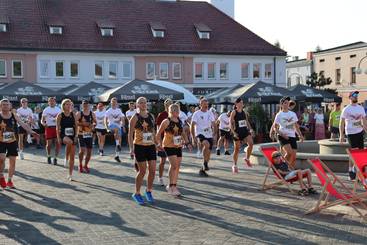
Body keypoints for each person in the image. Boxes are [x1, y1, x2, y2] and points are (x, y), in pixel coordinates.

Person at [0, 99, 38, 189]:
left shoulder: (14, 115)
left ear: (10, 106)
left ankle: (9, 180)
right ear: (0, 106)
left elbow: (23, 124)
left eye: (7, 104)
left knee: (12, 161)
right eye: (3, 104)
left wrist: (31, 131)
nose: (5, 106)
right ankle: (1, 176)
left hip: (12, 141)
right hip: (1, 141)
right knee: (1, 158)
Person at [156, 104, 192, 196]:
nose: (176, 111)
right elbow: (158, 133)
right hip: (168, 146)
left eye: (177, 109)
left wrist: (188, 143)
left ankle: (174, 185)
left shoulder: (179, 120)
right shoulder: (166, 121)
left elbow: (183, 132)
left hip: (178, 145)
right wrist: (159, 144)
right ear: (170, 111)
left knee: (177, 167)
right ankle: (171, 186)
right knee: (174, 165)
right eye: (174, 109)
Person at [129, 97, 157, 205]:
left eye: (145, 102)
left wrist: (157, 143)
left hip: (150, 146)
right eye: (141, 103)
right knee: (142, 171)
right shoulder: (135, 118)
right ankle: (136, 193)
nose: (143, 104)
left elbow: (153, 131)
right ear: (137, 105)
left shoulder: (151, 116)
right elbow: (130, 134)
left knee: (153, 170)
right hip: (139, 146)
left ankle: (148, 191)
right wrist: (131, 149)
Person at [339, 91, 367, 180]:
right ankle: (351, 169)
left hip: (359, 131)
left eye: (357, 95)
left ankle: (359, 172)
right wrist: (341, 135)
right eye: (354, 95)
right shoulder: (346, 109)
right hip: (350, 133)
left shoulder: (360, 108)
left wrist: (366, 130)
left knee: (361, 152)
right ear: (350, 97)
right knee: (354, 152)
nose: (356, 97)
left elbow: (364, 121)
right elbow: (341, 123)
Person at [273, 96, 304, 169]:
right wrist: (282, 135)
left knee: (294, 157)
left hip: (292, 136)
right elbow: (275, 128)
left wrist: (300, 135)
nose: (286, 104)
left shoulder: (293, 114)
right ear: (281, 104)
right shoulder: (279, 115)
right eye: (285, 103)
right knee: (289, 152)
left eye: (287, 103)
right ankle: (281, 166)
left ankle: (291, 171)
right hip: (282, 136)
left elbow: (296, 126)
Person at [191, 98, 216, 177]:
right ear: (200, 105)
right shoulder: (196, 113)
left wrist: (215, 133)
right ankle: (205, 163)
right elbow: (192, 125)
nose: (206, 105)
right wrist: (193, 137)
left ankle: (203, 169)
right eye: (204, 104)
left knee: (208, 153)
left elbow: (213, 124)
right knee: (206, 145)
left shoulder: (210, 113)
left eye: (207, 104)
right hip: (200, 133)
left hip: (209, 134)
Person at [230, 98, 254, 173]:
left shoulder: (244, 112)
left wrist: (251, 129)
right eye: (240, 103)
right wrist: (234, 132)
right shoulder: (234, 112)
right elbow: (230, 123)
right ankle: (235, 165)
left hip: (245, 131)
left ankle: (247, 158)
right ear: (236, 104)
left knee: (251, 143)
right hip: (237, 132)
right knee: (237, 149)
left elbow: (247, 122)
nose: (241, 104)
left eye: (242, 103)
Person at [56, 99, 77, 181]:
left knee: (72, 157)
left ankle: (70, 174)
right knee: (69, 142)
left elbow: (76, 126)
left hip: (72, 134)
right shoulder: (60, 115)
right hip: (63, 135)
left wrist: (76, 136)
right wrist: (58, 137)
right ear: (63, 105)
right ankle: (66, 157)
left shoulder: (73, 114)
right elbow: (57, 128)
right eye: (67, 104)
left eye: (70, 104)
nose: (69, 106)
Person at [155, 99, 173, 186]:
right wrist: (159, 141)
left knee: (173, 162)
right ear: (165, 105)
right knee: (162, 161)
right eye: (167, 104)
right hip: (163, 140)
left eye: (170, 104)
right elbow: (158, 129)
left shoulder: (174, 115)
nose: (169, 105)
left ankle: (172, 179)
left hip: (173, 142)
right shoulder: (162, 115)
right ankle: (160, 178)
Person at [76, 100, 96, 173]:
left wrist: (93, 125)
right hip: (81, 134)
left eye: (87, 104)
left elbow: (95, 122)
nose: (85, 105)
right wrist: (83, 124)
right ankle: (80, 164)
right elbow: (75, 122)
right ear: (82, 105)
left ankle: (85, 165)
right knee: (82, 150)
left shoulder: (92, 113)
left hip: (89, 134)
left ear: (89, 105)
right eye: (84, 104)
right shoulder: (79, 113)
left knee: (89, 152)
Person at [41, 97, 62, 165]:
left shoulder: (58, 109)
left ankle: (55, 158)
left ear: (55, 102)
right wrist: (44, 124)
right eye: (50, 101)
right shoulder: (46, 110)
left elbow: (61, 119)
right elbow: (42, 120)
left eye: (53, 101)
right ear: (48, 102)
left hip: (56, 128)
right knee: (49, 144)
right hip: (49, 128)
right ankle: (49, 156)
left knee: (57, 143)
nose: (52, 102)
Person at [105, 97, 125, 163]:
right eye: (112, 102)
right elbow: (105, 120)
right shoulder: (108, 111)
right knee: (116, 130)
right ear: (111, 103)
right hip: (111, 126)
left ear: (117, 103)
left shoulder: (119, 110)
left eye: (115, 102)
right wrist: (107, 127)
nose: (114, 103)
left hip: (118, 127)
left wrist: (123, 125)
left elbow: (122, 118)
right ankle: (117, 144)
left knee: (120, 141)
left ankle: (117, 156)